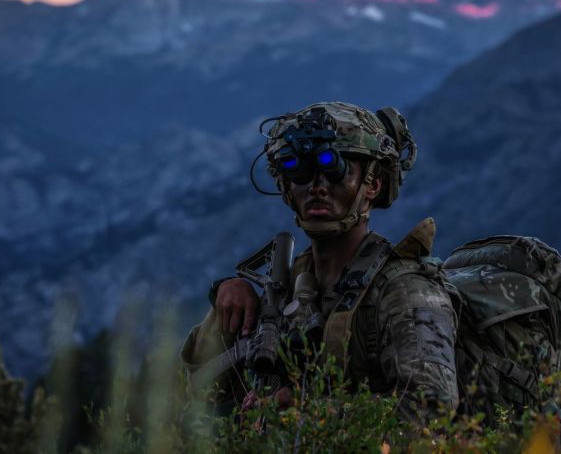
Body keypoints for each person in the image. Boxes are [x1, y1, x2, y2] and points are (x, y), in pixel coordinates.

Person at [180, 101, 459, 424]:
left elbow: (431, 412)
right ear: (286, 185)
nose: (317, 186)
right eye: (300, 171)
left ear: (373, 185)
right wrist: (226, 301)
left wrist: (309, 413)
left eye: (334, 168)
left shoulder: (405, 290)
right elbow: (199, 395)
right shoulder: (286, 286)